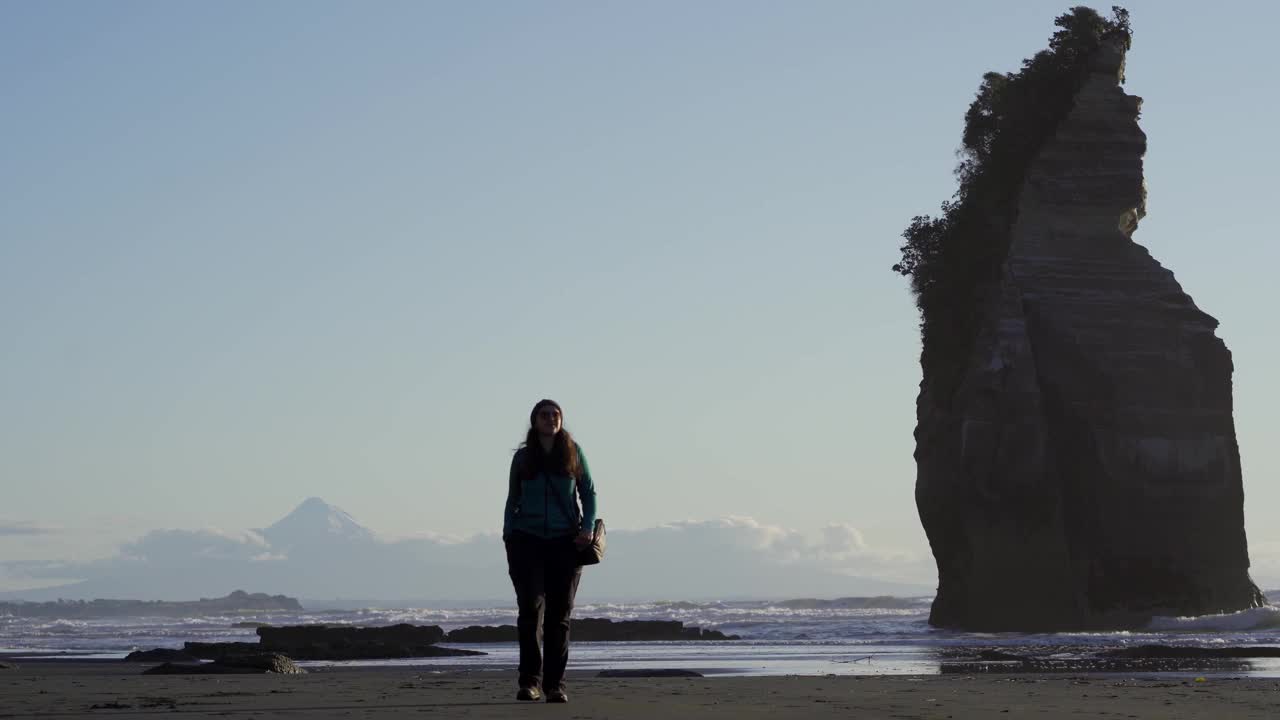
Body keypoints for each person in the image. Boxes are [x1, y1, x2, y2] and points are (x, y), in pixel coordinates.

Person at [502, 399, 597, 704]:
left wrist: (588, 528)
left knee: (559, 616)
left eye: (556, 415)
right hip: (526, 540)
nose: (551, 419)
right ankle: (530, 683)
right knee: (530, 612)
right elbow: (512, 497)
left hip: (566, 542)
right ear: (535, 420)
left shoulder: (573, 452)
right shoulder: (523, 458)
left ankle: (556, 685)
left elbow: (588, 491)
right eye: (545, 415)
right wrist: (509, 534)